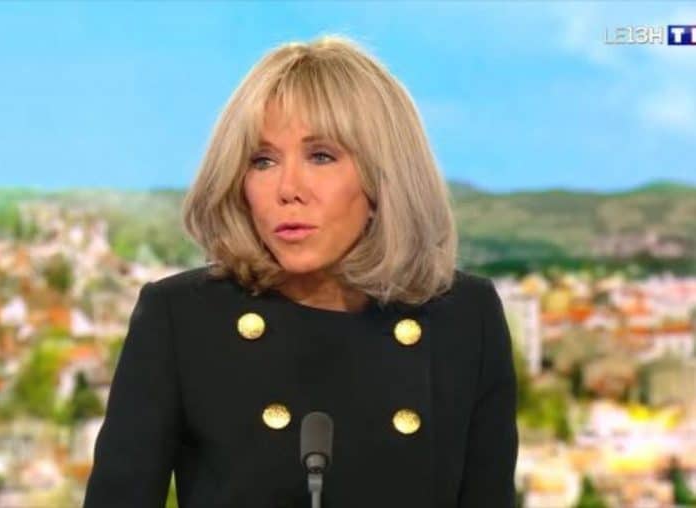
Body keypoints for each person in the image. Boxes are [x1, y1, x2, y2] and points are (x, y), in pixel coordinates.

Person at [82, 34, 518, 508]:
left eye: (321, 156)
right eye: (263, 161)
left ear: (385, 177)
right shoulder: (180, 317)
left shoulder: (465, 318)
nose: (288, 188)